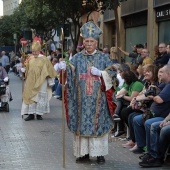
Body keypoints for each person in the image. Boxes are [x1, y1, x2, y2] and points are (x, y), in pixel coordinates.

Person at [58, 21, 117, 164]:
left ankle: (99, 154)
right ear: (83, 42)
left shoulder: (104, 58)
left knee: (98, 126)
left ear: (96, 43)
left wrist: (101, 73)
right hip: (81, 101)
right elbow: (69, 78)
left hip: (99, 100)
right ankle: (83, 153)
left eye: (91, 41)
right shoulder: (77, 58)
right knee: (82, 125)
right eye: (86, 41)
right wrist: (64, 69)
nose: (89, 43)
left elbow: (113, 75)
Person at [132, 64, 170, 154]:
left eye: (161, 72)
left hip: (161, 115)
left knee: (149, 123)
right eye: (158, 72)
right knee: (135, 118)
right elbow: (149, 94)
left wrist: (153, 96)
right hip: (155, 113)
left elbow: (158, 99)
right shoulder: (163, 84)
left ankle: (153, 154)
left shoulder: (168, 85)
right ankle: (141, 146)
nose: (159, 74)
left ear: (168, 74)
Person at [21, 37, 56, 121]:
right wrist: (24, 70)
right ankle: (31, 114)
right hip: (31, 81)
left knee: (40, 97)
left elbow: (49, 70)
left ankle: (39, 114)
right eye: (33, 51)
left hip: (41, 81)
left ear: (39, 50)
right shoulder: (30, 58)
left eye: (36, 51)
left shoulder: (44, 59)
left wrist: (50, 81)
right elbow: (27, 67)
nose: (34, 53)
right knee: (31, 96)